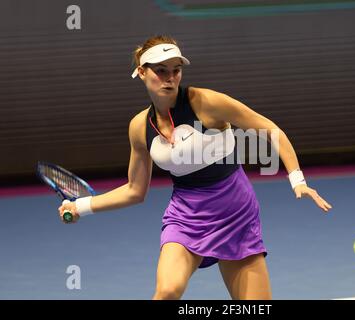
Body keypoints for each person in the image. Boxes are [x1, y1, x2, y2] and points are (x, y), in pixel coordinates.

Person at [58, 35, 333, 300]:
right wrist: (81, 206)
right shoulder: (139, 127)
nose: (170, 78)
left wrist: (298, 180)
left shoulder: (206, 103)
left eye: (176, 70)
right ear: (142, 72)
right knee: (166, 293)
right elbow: (134, 190)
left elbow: (270, 129)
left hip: (235, 212)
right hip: (186, 216)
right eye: (161, 70)